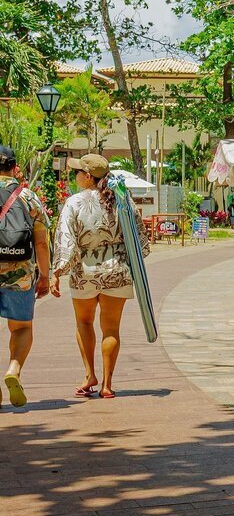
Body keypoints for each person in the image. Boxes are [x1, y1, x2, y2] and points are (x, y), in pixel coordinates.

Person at [52, 154, 144, 399]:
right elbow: (140, 241)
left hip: (85, 271)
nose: (75, 177)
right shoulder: (123, 200)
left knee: (84, 323)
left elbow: (66, 241)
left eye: (77, 173)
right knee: (111, 328)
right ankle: (107, 384)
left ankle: (89, 374)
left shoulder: (73, 203)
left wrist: (58, 271)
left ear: (88, 176)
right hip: (117, 270)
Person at [0, 146, 54, 408]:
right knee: (21, 327)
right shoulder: (28, 197)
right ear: (14, 166)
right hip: (19, 271)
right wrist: (45, 276)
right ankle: (13, 369)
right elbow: (41, 244)